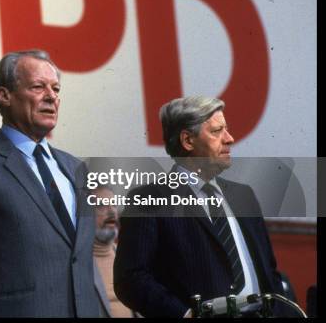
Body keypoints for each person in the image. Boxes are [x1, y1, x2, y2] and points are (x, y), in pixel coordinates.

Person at [0, 50, 100, 317]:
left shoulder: (77, 168)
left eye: (56, 88)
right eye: (38, 87)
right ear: (4, 95)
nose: (51, 96)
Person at [113, 96, 288, 317]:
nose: (230, 138)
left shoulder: (244, 196)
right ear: (187, 140)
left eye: (227, 129)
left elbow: (269, 274)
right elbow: (130, 279)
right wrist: (186, 314)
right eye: (217, 131)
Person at [92, 187, 133, 318]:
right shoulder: (76, 264)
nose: (111, 212)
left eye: (114, 204)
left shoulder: (128, 257)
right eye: (101, 205)